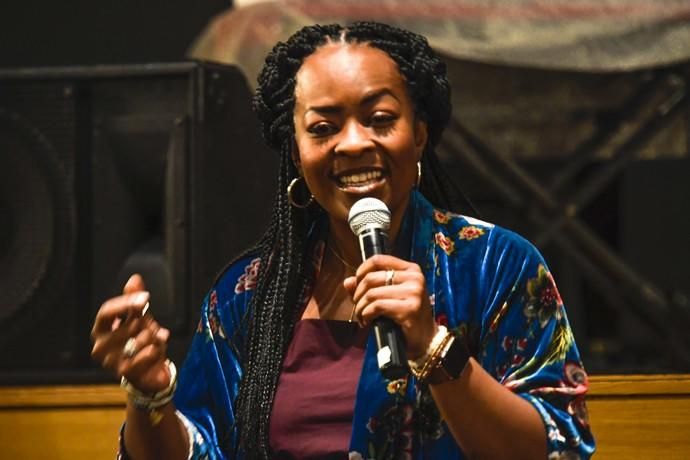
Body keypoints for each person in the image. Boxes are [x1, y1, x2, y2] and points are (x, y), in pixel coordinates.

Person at [90, 21, 595, 459]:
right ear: (295, 149)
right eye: (324, 127)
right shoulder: (246, 295)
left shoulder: (496, 265)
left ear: (419, 134)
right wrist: (150, 395)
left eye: (379, 119)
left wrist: (432, 347)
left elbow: (558, 446)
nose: (353, 143)